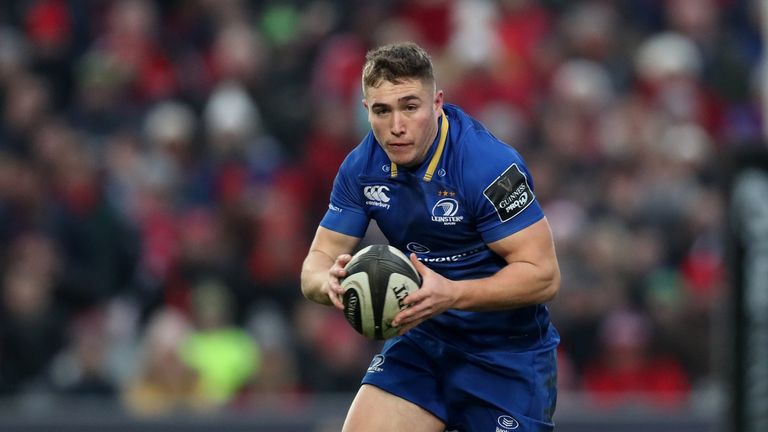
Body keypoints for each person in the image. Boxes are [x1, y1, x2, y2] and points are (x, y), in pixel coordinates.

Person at [300, 42, 561, 432]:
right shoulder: (361, 168)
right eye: (381, 111)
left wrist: (453, 294)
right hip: (423, 341)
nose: (397, 126)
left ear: (437, 103)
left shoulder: (488, 165)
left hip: (506, 355)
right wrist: (330, 282)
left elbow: (543, 275)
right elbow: (315, 265)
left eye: (410, 106)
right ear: (365, 110)